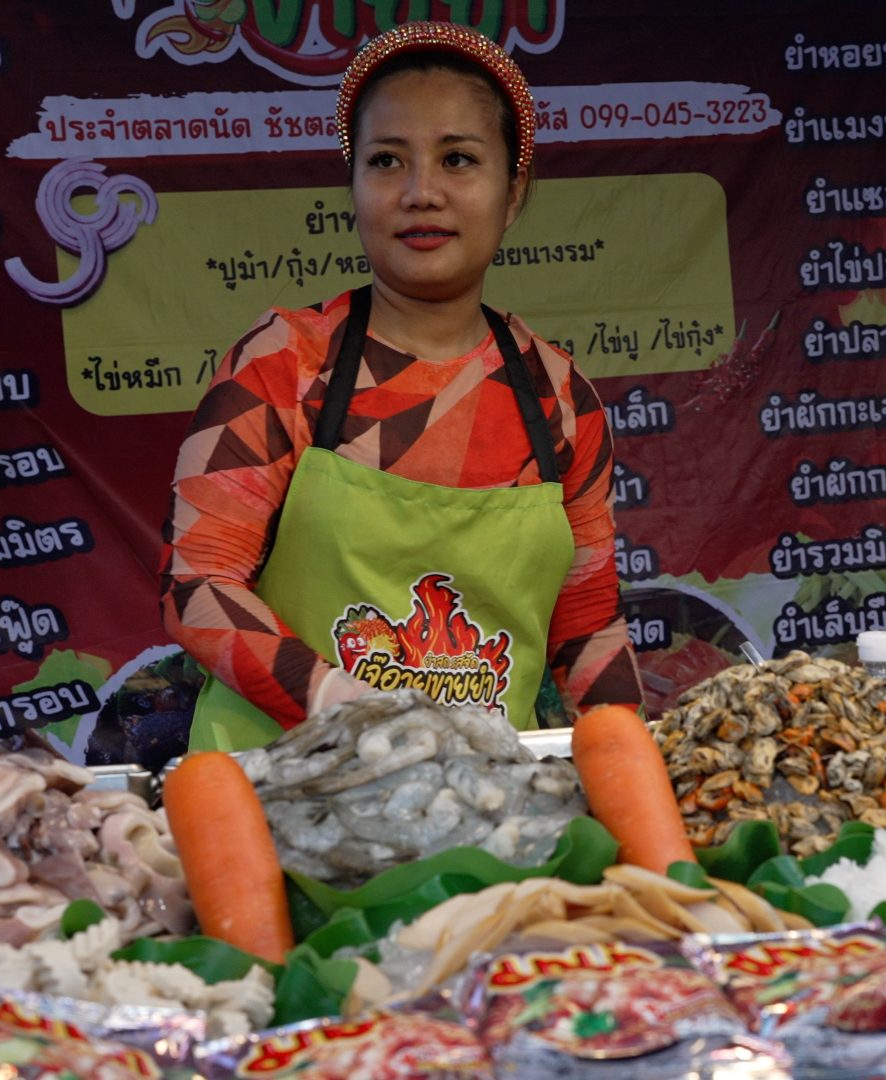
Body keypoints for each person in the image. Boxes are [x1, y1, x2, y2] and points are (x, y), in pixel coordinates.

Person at [160, 22, 641, 750]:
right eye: (387, 160)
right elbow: (198, 587)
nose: (421, 192)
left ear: (513, 192)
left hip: (490, 814)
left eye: (458, 159)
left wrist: (630, 758)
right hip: (280, 802)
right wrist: (346, 708)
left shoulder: (560, 399)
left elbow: (589, 625)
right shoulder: (284, 366)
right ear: (352, 190)